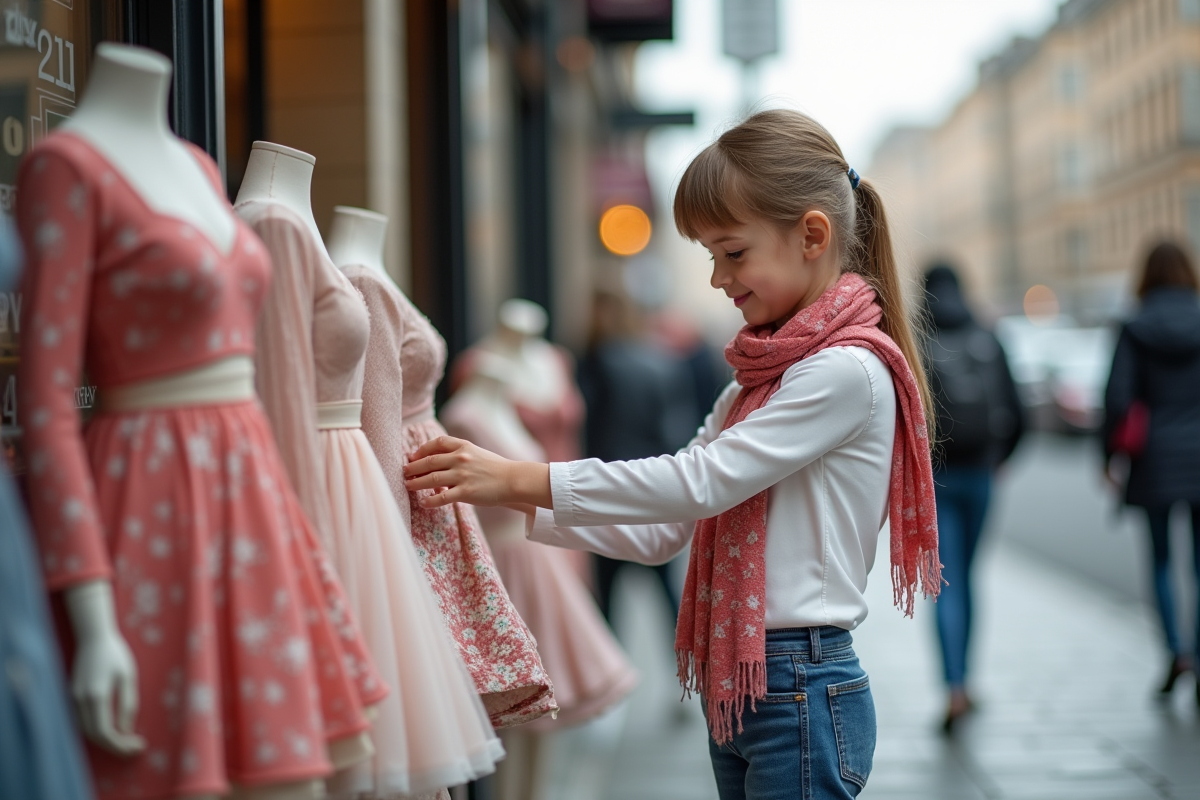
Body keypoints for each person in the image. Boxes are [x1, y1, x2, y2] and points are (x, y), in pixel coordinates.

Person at [404, 109, 942, 800]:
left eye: (732, 252)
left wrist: (517, 475)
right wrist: (510, 495)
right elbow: (663, 532)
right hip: (754, 682)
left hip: (799, 685)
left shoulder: (842, 371)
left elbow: (700, 483)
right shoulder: (762, 378)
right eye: (710, 256)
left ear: (812, 235)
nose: (718, 276)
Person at [921, 264, 1024, 732]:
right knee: (968, 578)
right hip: (981, 472)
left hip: (937, 480)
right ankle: (969, 682)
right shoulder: (987, 335)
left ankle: (954, 686)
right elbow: (1017, 409)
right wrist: (1000, 456)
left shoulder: (916, 340)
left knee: (945, 583)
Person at [1102, 241, 1200, 704]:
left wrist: (1108, 459)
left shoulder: (1135, 327)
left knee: (1161, 560)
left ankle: (1175, 652)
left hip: (1155, 458)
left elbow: (1118, 399)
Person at [577, 289, 699, 625]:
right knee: (668, 593)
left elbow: (587, 428)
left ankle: (613, 670)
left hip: (608, 485)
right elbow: (678, 429)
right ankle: (688, 664)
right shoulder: (663, 361)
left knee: (607, 598)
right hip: (651, 487)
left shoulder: (596, 363)